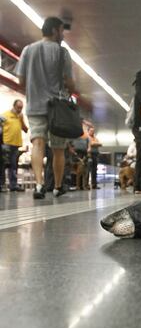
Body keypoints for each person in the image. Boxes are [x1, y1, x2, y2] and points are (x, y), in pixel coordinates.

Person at [15, 16, 75, 199]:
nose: (63, 34)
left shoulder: (28, 50)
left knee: (37, 143)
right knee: (58, 148)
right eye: (62, 30)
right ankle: (57, 187)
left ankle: (39, 185)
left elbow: (21, 80)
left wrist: (35, 87)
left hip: (35, 105)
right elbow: (70, 83)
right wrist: (68, 90)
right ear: (56, 30)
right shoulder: (62, 53)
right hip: (57, 108)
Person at [0, 100, 28, 192]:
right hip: (6, 144)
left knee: (13, 165)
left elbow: (25, 129)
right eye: (18, 107)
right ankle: (2, 184)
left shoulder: (20, 116)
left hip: (16, 144)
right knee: (3, 165)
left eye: (21, 108)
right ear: (14, 106)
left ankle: (13, 185)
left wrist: (21, 120)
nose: (20, 109)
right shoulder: (5, 115)